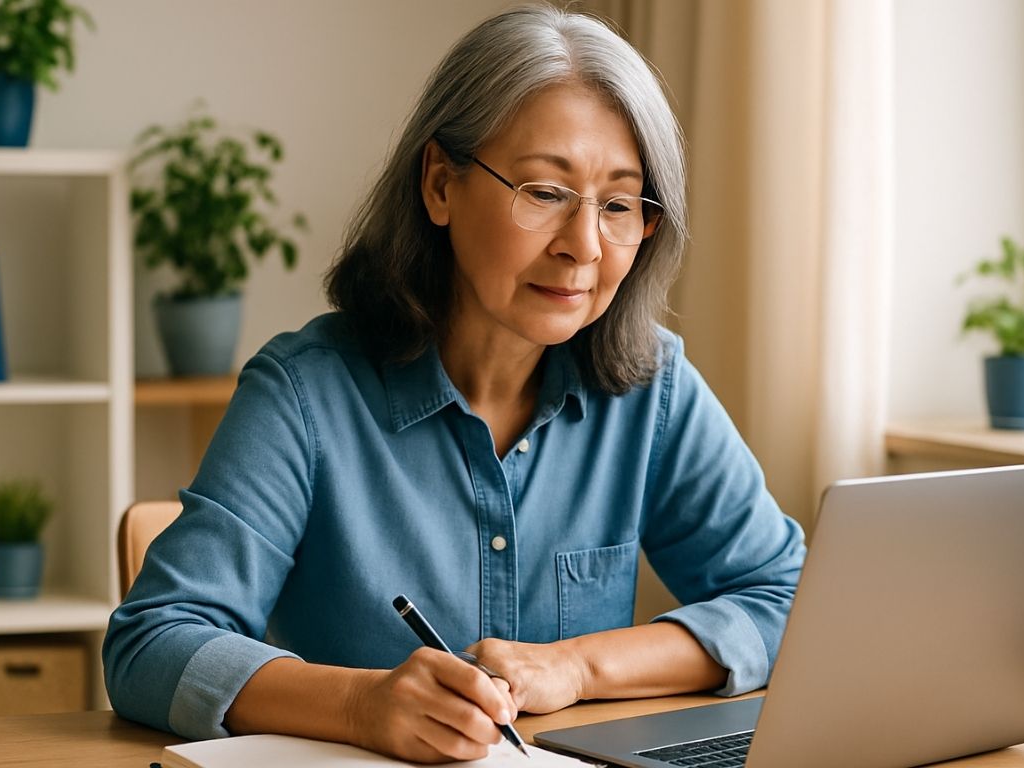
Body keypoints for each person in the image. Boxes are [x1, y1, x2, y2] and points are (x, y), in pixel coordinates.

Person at [103, 5, 805, 764]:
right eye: (544, 192)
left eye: (618, 205)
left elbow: (791, 601)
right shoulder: (305, 394)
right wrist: (360, 705)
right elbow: (152, 642)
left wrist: (577, 665)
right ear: (440, 184)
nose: (583, 247)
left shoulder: (652, 389)